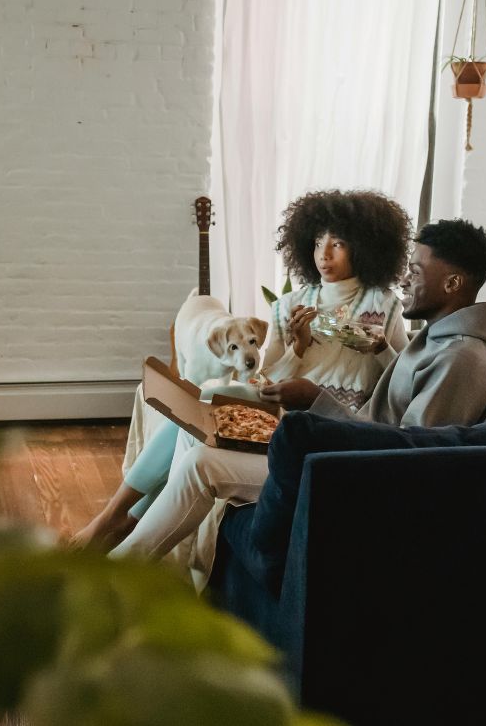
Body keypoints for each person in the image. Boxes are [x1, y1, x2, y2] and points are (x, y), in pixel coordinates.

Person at [109, 218, 486, 568]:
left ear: (452, 283)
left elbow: (411, 456)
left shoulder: (463, 358)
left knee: (202, 464)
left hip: (352, 472)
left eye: (416, 271)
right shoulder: (440, 339)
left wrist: (315, 400)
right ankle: (124, 553)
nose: (405, 279)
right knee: (200, 438)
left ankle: (116, 572)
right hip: (340, 448)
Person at [69, 189, 412, 549]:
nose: (323, 255)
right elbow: (266, 379)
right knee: (202, 399)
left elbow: (405, 378)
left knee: (200, 411)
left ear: (363, 247)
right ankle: (115, 516)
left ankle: (122, 519)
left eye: (337, 244)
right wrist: (297, 349)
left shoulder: (385, 307)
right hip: (279, 413)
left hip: (333, 427)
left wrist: (379, 347)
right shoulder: (289, 306)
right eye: (317, 243)